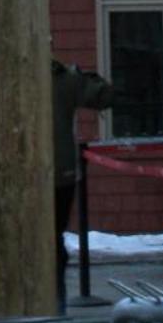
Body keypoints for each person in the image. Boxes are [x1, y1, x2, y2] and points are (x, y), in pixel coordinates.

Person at [53, 57, 114, 306]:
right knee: (53, 240)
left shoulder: (5, 73)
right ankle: (55, 304)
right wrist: (84, 75)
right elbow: (104, 96)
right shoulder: (61, 79)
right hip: (59, 174)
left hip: (19, 175)